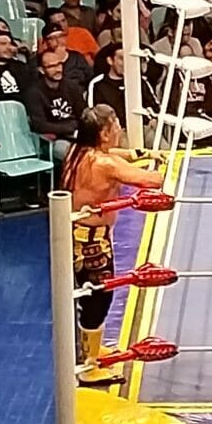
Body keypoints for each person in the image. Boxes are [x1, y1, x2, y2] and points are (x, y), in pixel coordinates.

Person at [61, 106, 167, 385]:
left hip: (80, 234)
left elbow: (115, 155)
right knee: (98, 297)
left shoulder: (78, 151)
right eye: (116, 123)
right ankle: (88, 366)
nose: (120, 127)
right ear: (104, 133)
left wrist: (143, 153)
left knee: (94, 295)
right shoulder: (104, 165)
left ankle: (91, 351)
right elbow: (152, 181)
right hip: (91, 241)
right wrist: (164, 165)